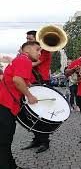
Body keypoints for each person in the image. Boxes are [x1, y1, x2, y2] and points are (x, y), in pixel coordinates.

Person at [0, 41, 40, 169]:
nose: (40, 53)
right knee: (4, 141)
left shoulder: (19, 59)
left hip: (5, 103)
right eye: (37, 50)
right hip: (5, 104)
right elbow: (17, 80)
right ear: (27, 51)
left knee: (5, 139)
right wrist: (29, 95)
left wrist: (28, 87)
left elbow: (17, 80)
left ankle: (11, 165)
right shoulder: (25, 60)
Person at [21, 30, 52, 153]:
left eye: (29, 39)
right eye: (27, 39)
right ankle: (37, 139)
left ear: (36, 39)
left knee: (42, 114)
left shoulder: (44, 51)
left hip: (41, 82)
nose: (27, 41)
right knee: (31, 114)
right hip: (31, 83)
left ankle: (45, 141)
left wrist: (22, 56)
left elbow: (33, 64)